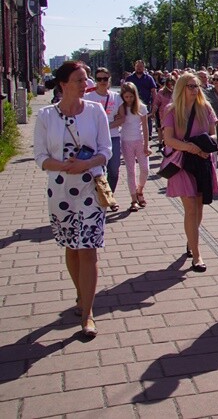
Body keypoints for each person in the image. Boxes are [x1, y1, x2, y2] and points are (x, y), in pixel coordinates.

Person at [34, 60, 112, 338]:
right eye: (79, 79)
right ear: (63, 84)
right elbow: (40, 157)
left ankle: (88, 313)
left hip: (91, 187)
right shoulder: (45, 116)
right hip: (61, 190)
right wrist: (65, 166)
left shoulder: (95, 112)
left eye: (86, 79)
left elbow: (106, 150)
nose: (85, 83)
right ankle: (81, 294)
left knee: (88, 248)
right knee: (72, 247)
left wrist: (87, 164)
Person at [162, 72, 218, 273]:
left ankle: (191, 240)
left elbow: (214, 133)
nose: (195, 90)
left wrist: (205, 145)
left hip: (203, 161)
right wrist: (190, 147)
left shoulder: (205, 107)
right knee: (191, 208)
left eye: (197, 86)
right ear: (181, 88)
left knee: (200, 208)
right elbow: (168, 139)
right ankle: (197, 255)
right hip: (183, 163)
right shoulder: (172, 110)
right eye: (190, 86)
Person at [84, 67, 123, 200]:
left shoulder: (116, 97)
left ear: (109, 79)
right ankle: (99, 197)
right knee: (96, 170)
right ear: (95, 80)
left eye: (105, 79)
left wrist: (106, 126)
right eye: (99, 79)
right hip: (94, 139)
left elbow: (122, 118)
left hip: (113, 138)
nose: (102, 81)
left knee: (114, 170)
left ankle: (109, 196)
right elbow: (83, 118)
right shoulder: (88, 97)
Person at [118, 82, 151, 211]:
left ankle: (140, 190)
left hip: (140, 140)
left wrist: (147, 145)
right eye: (126, 97)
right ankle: (133, 199)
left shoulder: (141, 107)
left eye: (131, 97)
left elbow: (145, 126)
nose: (129, 99)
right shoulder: (121, 107)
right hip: (126, 141)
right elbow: (118, 120)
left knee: (145, 169)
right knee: (131, 171)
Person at [126, 60, 158, 138]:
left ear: (144, 67)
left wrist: (155, 102)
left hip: (146, 103)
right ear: (135, 67)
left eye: (141, 66)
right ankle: (134, 135)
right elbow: (125, 91)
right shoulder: (130, 78)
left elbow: (153, 91)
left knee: (147, 119)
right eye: (137, 66)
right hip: (132, 103)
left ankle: (148, 135)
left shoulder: (149, 78)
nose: (139, 68)